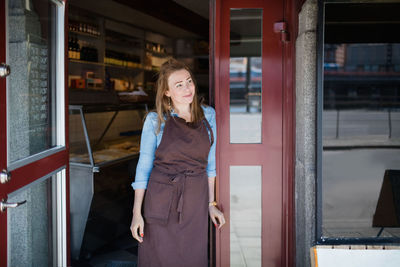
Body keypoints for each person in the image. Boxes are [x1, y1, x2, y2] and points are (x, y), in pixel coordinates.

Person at [130, 58, 225, 267]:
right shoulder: (156, 120)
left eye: (189, 81)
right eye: (178, 85)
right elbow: (143, 168)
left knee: (192, 256)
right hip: (161, 198)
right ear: (166, 92)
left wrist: (212, 204)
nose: (187, 88)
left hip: (195, 199)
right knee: (160, 256)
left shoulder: (208, 115)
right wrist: (137, 213)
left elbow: (210, 165)